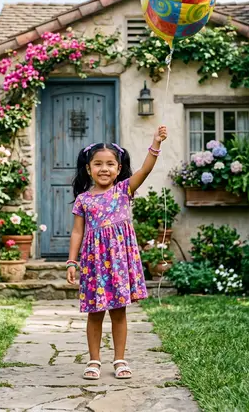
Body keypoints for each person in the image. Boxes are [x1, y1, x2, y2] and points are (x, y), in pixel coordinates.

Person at [66, 126, 168, 380]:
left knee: (119, 312)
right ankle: (94, 361)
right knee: (95, 312)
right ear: (88, 168)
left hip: (119, 261)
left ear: (119, 168)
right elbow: (78, 232)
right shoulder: (83, 200)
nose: (104, 169)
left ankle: (120, 360)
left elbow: (145, 169)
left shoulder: (124, 190)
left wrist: (155, 143)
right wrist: (72, 261)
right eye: (98, 164)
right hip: (95, 262)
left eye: (110, 164)